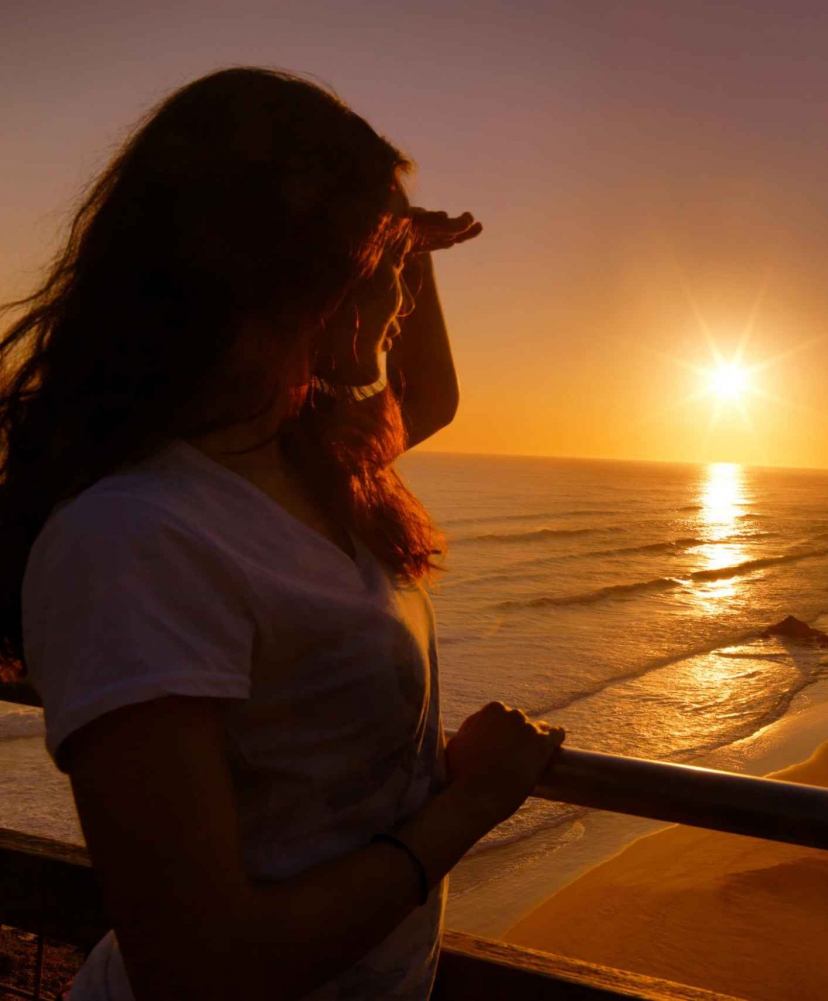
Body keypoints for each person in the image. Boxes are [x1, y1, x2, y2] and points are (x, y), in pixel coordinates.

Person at [0, 67, 564, 1000]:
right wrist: (471, 804)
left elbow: (429, 397)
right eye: (388, 262)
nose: (404, 296)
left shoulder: (304, 462)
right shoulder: (136, 538)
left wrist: (407, 243)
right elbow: (200, 968)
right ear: (296, 269)